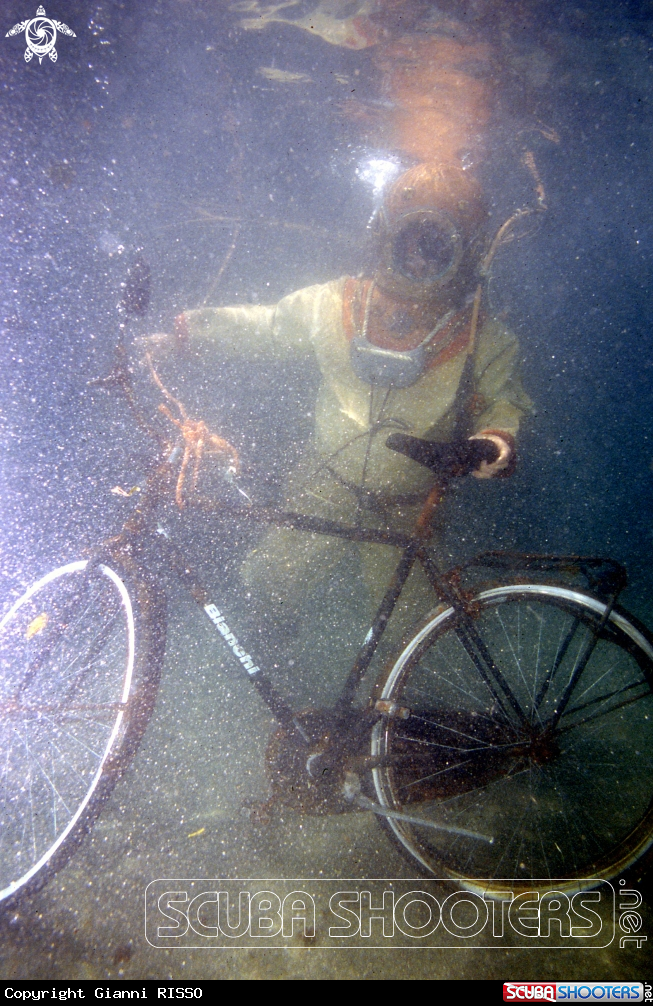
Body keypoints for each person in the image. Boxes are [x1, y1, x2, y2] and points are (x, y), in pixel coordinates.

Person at [145, 162, 531, 644]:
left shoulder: (483, 338)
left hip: (409, 505)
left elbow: (501, 404)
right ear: (385, 236)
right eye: (412, 241)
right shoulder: (333, 305)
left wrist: (492, 444)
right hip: (326, 482)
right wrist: (188, 332)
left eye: (436, 246)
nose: (420, 261)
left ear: (468, 252)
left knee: (412, 629)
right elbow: (268, 326)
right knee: (268, 577)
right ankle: (277, 653)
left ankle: (401, 689)